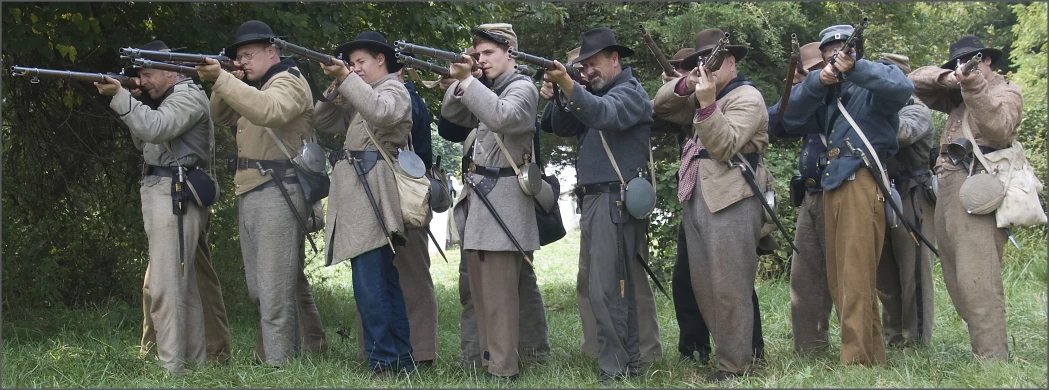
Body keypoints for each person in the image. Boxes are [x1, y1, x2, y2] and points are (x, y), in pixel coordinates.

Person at [781, 23, 914, 366]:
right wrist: (818, 81)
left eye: (846, 49)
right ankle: (869, 356)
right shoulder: (825, 93)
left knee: (856, 277)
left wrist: (856, 68)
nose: (839, 53)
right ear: (824, 56)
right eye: (832, 50)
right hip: (832, 184)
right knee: (844, 279)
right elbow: (784, 119)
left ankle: (856, 360)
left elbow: (901, 88)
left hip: (861, 178)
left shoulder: (871, 84)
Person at [197, 20, 324, 367]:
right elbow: (219, 114)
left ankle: (279, 364)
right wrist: (229, 79)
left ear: (272, 51)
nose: (243, 61)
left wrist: (223, 78)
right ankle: (311, 349)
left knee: (272, 289)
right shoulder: (255, 84)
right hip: (255, 187)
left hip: (279, 188)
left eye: (248, 55)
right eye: (238, 56)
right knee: (266, 285)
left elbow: (269, 110)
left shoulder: (289, 80)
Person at [652, 28, 769, 381]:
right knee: (704, 285)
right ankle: (730, 356)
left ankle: (736, 366)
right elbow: (658, 105)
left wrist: (705, 104)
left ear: (732, 62)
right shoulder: (704, 92)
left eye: (715, 63)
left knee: (730, 286)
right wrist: (685, 86)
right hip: (699, 195)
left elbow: (723, 146)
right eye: (702, 64)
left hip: (733, 196)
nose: (708, 70)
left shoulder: (747, 97)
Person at [95, 39, 217, 373]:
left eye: (148, 74)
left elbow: (156, 128)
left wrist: (121, 97)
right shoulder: (168, 99)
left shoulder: (188, 96)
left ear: (172, 71)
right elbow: (146, 137)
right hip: (161, 189)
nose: (143, 80)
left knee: (166, 286)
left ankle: (171, 368)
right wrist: (135, 100)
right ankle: (191, 364)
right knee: (181, 284)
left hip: (174, 192)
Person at [542, 27, 656, 383]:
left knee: (610, 291)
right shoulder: (592, 95)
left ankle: (618, 368)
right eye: (583, 66)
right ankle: (627, 364)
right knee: (602, 288)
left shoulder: (630, 94)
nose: (587, 70)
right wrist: (557, 93)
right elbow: (554, 124)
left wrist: (572, 87)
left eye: (593, 64)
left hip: (615, 201)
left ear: (614, 59)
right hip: (597, 202)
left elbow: (605, 114)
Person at [437, 45, 551, 370]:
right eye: (477, 53)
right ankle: (487, 360)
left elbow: (505, 117)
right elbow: (451, 118)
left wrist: (470, 83)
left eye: (488, 52)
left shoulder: (522, 88)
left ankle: (503, 369)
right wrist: (465, 77)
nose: (481, 59)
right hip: (481, 201)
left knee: (500, 295)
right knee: (482, 292)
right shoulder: (486, 89)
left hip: (503, 202)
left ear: (510, 52)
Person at [910, 35, 1023, 360]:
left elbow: (999, 128)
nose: (966, 69)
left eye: (972, 61)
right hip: (946, 187)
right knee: (957, 278)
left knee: (978, 279)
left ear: (987, 60)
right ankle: (985, 346)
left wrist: (973, 86)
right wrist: (952, 77)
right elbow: (910, 81)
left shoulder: (1007, 91)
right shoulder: (956, 96)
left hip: (977, 184)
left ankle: (992, 359)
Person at [311, 31, 415, 375]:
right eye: (351, 63)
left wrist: (346, 78)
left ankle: (384, 361)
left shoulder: (392, 90)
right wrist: (337, 85)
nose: (355, 68)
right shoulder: (360, 93)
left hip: (374, 192)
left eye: (360, 62)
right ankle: (399, 359)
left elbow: (382, 113)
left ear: (380, 60)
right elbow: (322, 121)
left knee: (372, 287)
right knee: (379, 283)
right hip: (359, 192)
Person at [351, 66, 439, 368]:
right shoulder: (375, 94)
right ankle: (397, 353)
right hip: (385, 190)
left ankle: (418, 351)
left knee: (409, 275)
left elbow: (385, 115)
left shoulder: (405, 97)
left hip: (403, 192)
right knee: (385, 278)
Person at [767, 41, 836, 353]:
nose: (797, 82)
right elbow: (774, 122)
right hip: (811, 194)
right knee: (804, 277)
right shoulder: (805, 101)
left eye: (802, 76)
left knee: (841, 274)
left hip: (838, 193)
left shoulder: (834, 100)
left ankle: (858, 349)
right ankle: (809, 348)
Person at [874, 53, 937, 348]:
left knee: (914, 274)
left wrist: (870, 117)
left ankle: (917, 340)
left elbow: (902, 133)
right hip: (884, 192)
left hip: (912, 194)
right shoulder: (876, 107)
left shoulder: (918, 110)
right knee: (884, 272)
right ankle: (893, 337)